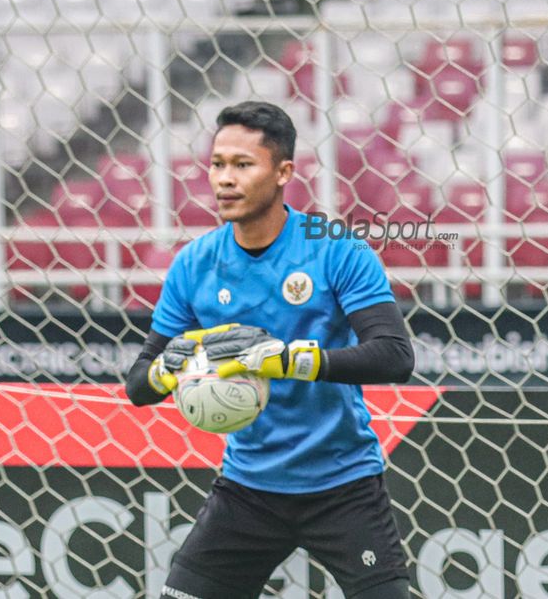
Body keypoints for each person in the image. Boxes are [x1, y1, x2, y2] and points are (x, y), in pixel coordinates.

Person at [126, 100, 415, 599]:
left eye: (243, 164)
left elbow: (394, 355)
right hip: (248, 490)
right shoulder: (194, 264)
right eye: (217, 164)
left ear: (283, 173)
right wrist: (164, 371)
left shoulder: (337, 248)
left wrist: (291, 361)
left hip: (343, 484)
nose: (225, 179)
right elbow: (137, 385)